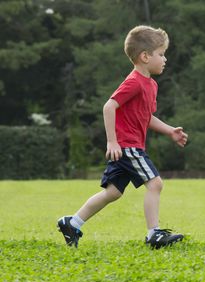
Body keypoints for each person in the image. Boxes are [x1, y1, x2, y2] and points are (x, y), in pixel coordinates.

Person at [58, 25, 188, 249]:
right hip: (128, 147)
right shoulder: (135, 82)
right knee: (155, 184)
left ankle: (72, 222)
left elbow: (145, 117)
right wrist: (112, 141)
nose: (165, 59)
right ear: (145, 56)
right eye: (161, 54)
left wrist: (169, 130)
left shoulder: (151, 85)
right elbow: (109, 106)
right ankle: (153, 234)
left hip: (129, 146)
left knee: (113, 192)